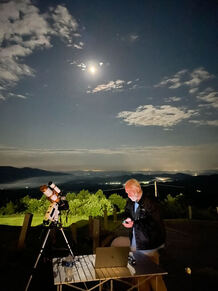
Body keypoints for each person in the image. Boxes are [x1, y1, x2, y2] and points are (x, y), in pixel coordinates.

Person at [122, 178, 167, 291]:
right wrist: (126, 218)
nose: (127, 194)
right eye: (126, 192)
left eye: (129, 191)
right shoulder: (131, 201)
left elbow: (154, 224)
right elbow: (126, 212)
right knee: (139, 279)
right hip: (135, 246)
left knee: (154, 278)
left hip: (149, 247)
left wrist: (134, 224)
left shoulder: (151, 202)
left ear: (137, 189)